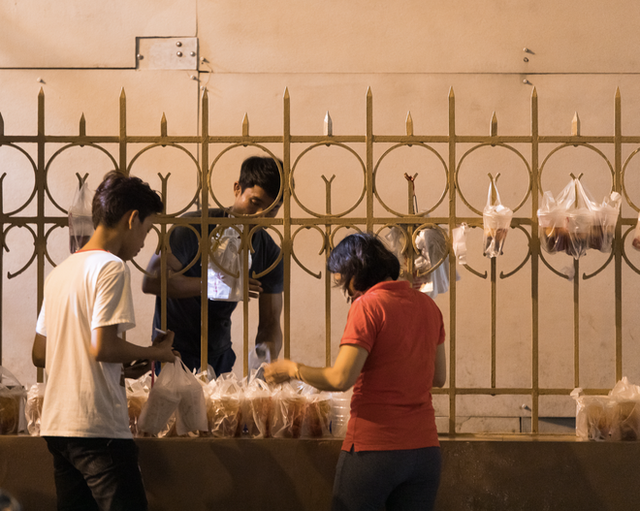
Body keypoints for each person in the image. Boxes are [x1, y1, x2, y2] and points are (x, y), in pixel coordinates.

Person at [265, 233, 447, 511]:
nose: (347, 292)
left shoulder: (369, 306)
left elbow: (340, 378)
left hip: (374, 450)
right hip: (424, 452)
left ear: (356, 273)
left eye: (343, 282)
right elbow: (438, 378)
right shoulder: (429, 307)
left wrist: (294, 369)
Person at [32, 171, 176, 511]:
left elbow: (41, 353)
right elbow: (103, 347)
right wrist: (156, 352)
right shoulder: (112, 267)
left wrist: (121, 365)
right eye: (147, 230)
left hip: (58, 426)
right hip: (97, 427)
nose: (144, 243)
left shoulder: (60, 272)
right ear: (131, 219)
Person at [142, 155, 284, 375]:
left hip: (219, 355)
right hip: (171, 353)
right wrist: (219, 284)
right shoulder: (191, 228)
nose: (261, 215)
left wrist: (265, 359)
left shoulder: (269, 251)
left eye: (272, 209)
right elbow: (151, 280)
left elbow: (271, 322)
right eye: (255, 203)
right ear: (237, 189)